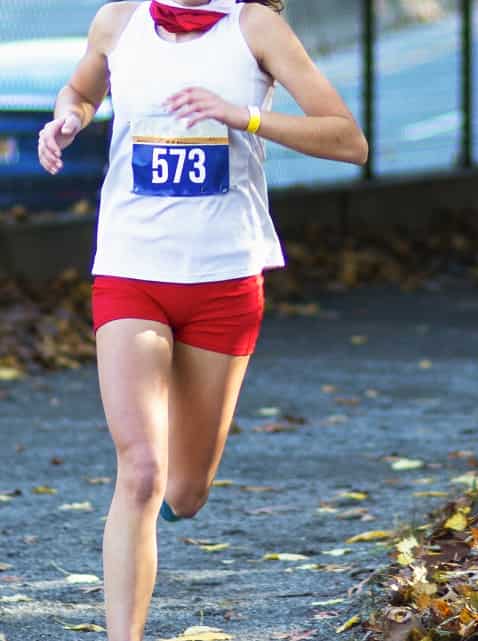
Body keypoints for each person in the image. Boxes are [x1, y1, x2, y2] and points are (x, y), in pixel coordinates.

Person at [37, 0, 367, 638]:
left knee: (184, 491)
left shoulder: (256, 28)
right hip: (131, 269)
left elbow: (347, 139)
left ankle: (178, 502)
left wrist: (243, 115)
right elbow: (81, 88)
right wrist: (66, 120)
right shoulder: (118, 21)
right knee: (140, 468)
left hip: (223, 282)